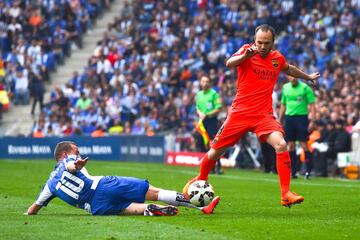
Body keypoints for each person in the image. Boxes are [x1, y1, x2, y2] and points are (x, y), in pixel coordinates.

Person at [183, 24, 320, 208]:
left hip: (263, 115)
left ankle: (285, 193)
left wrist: (307, 77)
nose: (262, 46)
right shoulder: (247, 50)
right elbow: (229, 63)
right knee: (215, 152)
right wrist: (244, 57)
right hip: (240, 113)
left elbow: (289, 69)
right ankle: (200, 181)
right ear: (255, 41)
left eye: (267, 43)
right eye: (260, 42)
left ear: (273, 42)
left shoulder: (277, 58)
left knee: (281, 144)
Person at [26, 141, 220, 216]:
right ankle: (201, 206)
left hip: (95, 208)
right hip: (102, 186)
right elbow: (69, 165)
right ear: (65, 152)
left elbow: (33, 209)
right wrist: (75, 165)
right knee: (153, 191)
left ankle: (153, 211)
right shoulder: (68, 159)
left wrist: (29, 214)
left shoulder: (49, 185)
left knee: (128, 208)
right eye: (75, 147)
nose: (77, 149)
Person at [278, 76, 316, 179]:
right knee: (290, 145)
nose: (293, 78)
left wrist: (313, 120)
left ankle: (308, 171)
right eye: (291, 76)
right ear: (288, 77)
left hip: (301, 118)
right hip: (289, 118)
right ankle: (293, 171)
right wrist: (280, 120)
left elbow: (312, 105)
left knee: (304, 145)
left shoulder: (305, 88)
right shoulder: (285, 87)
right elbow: (283, 104)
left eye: (295, 76)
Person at [195, 75, 223, 174]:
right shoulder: (198, 95)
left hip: (211, 120)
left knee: (213, 144)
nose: (205, 83)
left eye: (207, 81)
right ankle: (210, 166)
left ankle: (218, 166)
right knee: (204, 143)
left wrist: (206, 114)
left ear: (210, 83)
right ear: (200, 83)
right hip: (202, 121)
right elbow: (198, 107)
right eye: (203, 81)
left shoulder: (214, 94)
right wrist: (200, 113)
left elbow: (218, 108)